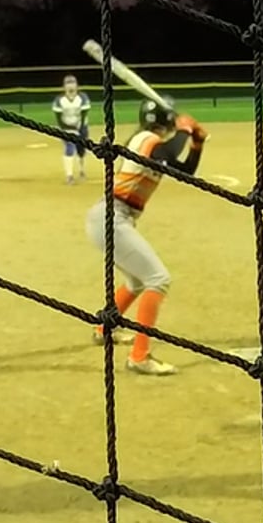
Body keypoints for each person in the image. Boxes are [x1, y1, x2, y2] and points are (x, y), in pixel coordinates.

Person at [84, 99, 205, 377]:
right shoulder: (147, 140)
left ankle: (104, 329)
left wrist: (196, 144)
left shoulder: (149, 143)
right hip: (112, 218)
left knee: (138, 281)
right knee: (158, 279)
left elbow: (184, 171)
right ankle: (139, 356)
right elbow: (169, 149)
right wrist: (185, 129)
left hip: (112, 218)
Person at [52, 75, 92, 184]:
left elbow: (84, 115)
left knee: (81, 149)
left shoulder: (82, 98)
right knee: (69, 147)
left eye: (72, 83)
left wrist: (80, 128)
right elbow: (59, 119)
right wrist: (68, 128)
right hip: (66, 127)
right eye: (68, 84)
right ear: (64, 86)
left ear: (77, 86)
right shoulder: (59, 100)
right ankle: (69, 175)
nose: (70, 86)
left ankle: (81, 169)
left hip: (81, 126)